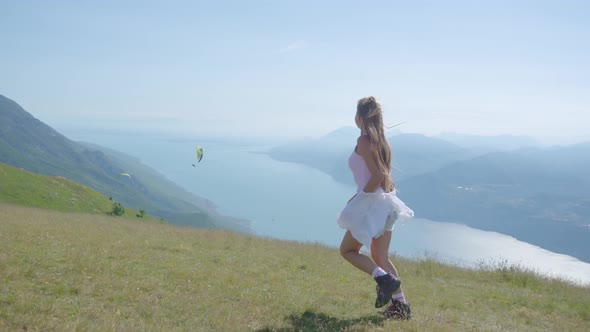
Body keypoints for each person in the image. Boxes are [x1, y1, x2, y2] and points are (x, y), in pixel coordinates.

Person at [337, 96, 414, 320]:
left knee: (348, 251)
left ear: (359, 116)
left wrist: (360, 198)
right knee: (380, 255)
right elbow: (380, 177)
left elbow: (377, 175)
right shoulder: (381, 142)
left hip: (374, 205)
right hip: (388, 204)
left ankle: (383, 279)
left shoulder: (363, 141)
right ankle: (401, 306)